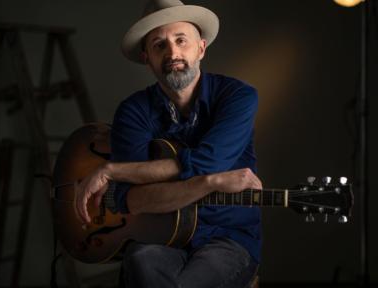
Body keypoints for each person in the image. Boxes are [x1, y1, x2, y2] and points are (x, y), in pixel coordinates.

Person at [74, 0, 262, 287]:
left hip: (227, 237)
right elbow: (131, 200)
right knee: (140, 261)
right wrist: (209, 182)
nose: (172, 52)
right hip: (158, 235)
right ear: (147, 57)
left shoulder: (238, 97)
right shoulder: (133, 111)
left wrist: (113, 171)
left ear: (200, 48)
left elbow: (207, 163)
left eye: (181, 40)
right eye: (159, 45)